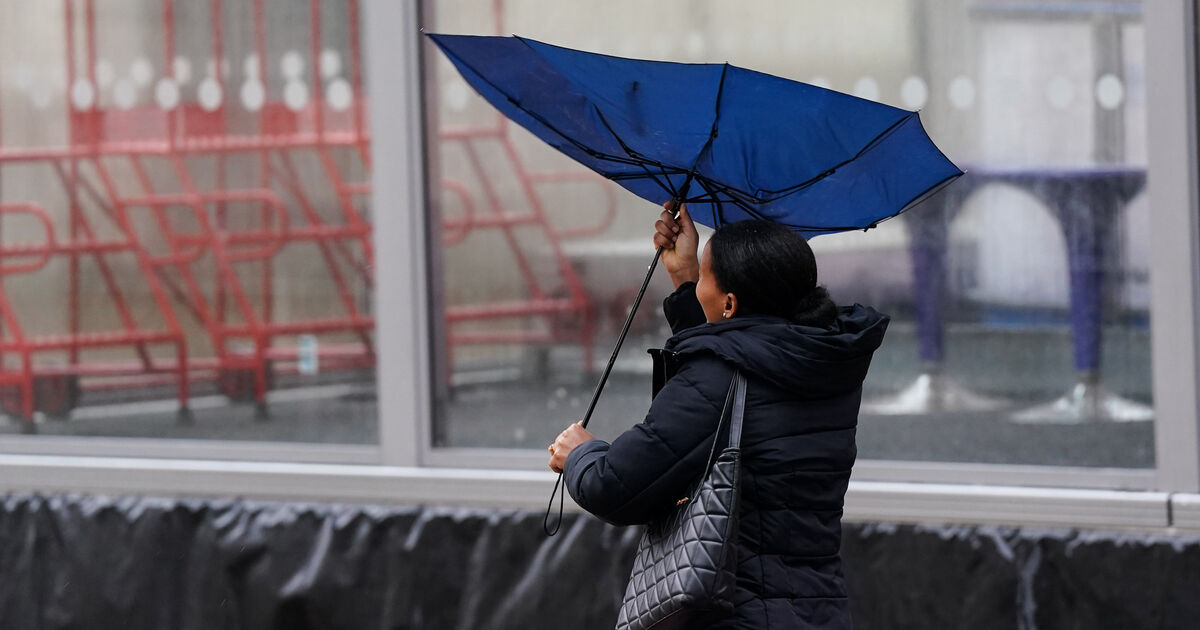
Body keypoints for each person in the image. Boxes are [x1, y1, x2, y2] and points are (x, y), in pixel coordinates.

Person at [547, 201, 890, 630]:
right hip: (818, 610)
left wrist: (580, 454)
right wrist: (686, 280)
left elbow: (616, 486)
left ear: (728, 302)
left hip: (735, 613)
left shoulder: (716, 379)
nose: (698, 287)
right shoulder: (824, 363)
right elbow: (747, 367)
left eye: (705, 279)